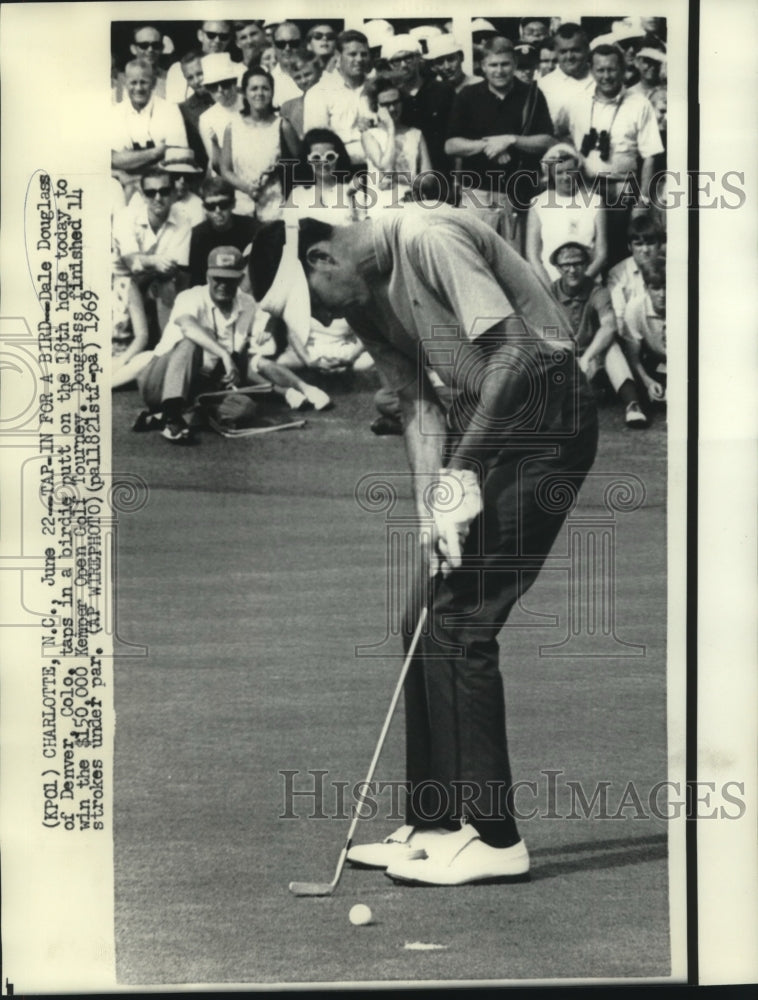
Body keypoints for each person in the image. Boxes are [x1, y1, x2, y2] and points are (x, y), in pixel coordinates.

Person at [249, 208, 598, 886]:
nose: (321, 320)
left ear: (321, 258)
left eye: (314, 303)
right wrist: (429, 511)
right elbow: (415, 404)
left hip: (548, 416)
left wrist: (461, 473)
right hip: (487, 422)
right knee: (421, 616)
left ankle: (495, 837)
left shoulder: (426, 239)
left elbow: (516, 356)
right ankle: (435, 822)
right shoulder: (364, 301)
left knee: (463, 619)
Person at [137, 245, 331, 443]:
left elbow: (259, 349)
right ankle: (172, 418)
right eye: (217, 279)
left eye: (229, 279)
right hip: (158, 381)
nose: (223, 285)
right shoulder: (190, 297)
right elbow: (188, 327)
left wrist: (269, 332)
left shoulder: (247, 303)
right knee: (190, 343)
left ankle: (176, 414)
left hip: (201, 385)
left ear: (240, 279)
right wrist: (224, 354)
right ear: (207, 277)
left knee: (245, 408)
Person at [554, 43, 664, 266]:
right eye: (601, 70)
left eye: (612, 70)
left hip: (622, 190)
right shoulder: (575, 102)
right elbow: (558, 134)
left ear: (623, 70)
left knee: (618, 253)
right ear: (591, 70)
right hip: (585, 188)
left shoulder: (639, 104)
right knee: (584, 249)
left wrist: (642, 201)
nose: (606, 76)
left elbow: (650, 155)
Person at [445, 36, 553, 249]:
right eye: (493, 65)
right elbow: (451, 145)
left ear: (514, 64)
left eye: (505, 64)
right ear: (483, 66)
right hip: (478, 194)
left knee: (516, 262)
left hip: (519, 194)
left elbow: (548, 141)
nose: (499, 70)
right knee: (475, 257)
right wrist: (488, 146)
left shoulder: (531, 94)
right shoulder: (468, 95)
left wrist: (511, 140)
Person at [548, 241, 648, 427]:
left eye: (577, 263)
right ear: (558, 268)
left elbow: (609, 326)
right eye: (566, 265)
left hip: (593, 356)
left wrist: (587, 358)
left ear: (586, 265)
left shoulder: (597, 291)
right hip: (563, 356)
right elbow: (543, 331)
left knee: (612, 348)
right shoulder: (550, 291)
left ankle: (633, 405)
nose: (572, 270)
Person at [112, 169, 192, 336]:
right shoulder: (125, 217)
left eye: (164, 192)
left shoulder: (183, 220)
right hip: (117, 283)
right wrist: (155, 261)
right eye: (151, 193)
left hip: (153, 281)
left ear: (173, 193)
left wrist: (155, 267)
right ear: (142, 195)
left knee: (169, 283)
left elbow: (173, 268)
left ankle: (167, 343)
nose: (157, 198)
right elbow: (131, 261)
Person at [219, 67, 301, 216]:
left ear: (272, 92)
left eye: (265, 88)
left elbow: (300, 164)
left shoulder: (283, 126)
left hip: (276, 208)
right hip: (241, 207)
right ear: (244, 93)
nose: (260, 94)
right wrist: (246, 188)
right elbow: (225, 169)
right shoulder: (232, 127)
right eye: (254, 89)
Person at [525, 143, 606, 286]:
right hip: (551, 286)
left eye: (570, 171)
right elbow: (533, 256)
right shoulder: (538, 204)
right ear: (550, 174)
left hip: (588, 284)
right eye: (559, 172)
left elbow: (602, 254)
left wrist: (581, 284)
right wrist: (553, 290)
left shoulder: (595, 201)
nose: (566, 177)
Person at [111, 58, 188, 198]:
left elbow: (179, 158)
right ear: (125, 83)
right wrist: (157, 152)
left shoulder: (170, 110)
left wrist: (132, 161)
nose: (138, 88)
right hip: (127, 189)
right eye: (133, 83)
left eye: (143, 82)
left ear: (153, 83)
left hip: (163, 188)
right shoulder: (116, 112)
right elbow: (115, 159)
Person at [383, 34, 454, 177]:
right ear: (390, 65)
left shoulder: (442, 90)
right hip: (405, 174)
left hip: (443, 171)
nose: (403, 64)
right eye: (397, 61)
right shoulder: (391, 97)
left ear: (417, 58)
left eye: (408, 58)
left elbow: (455, 134)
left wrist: (457, 178)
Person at [303, 29, 373, 168]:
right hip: (339, 170)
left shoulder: (376, 87)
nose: (359, 59)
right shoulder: (319, 93)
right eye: (352, 54)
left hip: (379, 167)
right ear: (338, 56)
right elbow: (317, 143)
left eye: (364, 54)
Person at [360, 77, 432, 210]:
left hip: (413, 204)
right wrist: (391, 130)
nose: (392, 108)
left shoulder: (416, 134)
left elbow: (429, 180)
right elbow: (386, 168)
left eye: (396, 102)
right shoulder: (369, 135)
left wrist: (399, 177)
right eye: (386, 104)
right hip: (382, 206)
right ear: (376, 106)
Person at [188, 177, 259, 287]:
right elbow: (197, 278)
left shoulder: (253, 229)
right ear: (204, 208)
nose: (218, 211)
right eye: (211, 206)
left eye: (223, 204)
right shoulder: (198, 235)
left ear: (233, 204)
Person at [621, 252, 667, 406]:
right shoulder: (635, 308)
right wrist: (648, 382)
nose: (663, 295)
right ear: (646, 288)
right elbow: (634, 358)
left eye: (668, 288)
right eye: (656, 288)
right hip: (657, 363)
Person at [537, 23, 594, 125]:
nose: (569, 57)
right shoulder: (543, 86)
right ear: (556, 52)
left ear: (587, 49)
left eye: (575, 50)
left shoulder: (602, 79)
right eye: (563, 52)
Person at [165, 20, 233, 104]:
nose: (217, 40)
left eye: (223, 36)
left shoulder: (234, 69)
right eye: (211, 35)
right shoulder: (178, 69)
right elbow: (175, 107)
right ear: (200, 35)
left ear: (229, 39)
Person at [197, 53, 243, 174]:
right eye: (213, 86)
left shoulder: (250, 103)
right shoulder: (206, 119)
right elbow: (215, 160)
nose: (220, 90)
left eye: (225, 84)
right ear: (207, 89)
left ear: (234, 82)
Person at [177, 52, 214, 173]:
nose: (196, 81)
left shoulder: (229, 98)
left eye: (200, 74)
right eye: (190, 78)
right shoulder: (185, 110)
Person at [113, 24, 167, 101]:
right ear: (133, 49)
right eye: (144, 45)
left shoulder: (170, 79)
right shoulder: (121, 81)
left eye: (156, 45)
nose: (150, 49)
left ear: (162, 48)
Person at [280, 51, 324, 140]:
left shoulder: (333, 98)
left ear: (319, 72)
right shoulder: (288, 107)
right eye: (298, 78)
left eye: (307, 74)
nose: (303, 81)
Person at [270, 21, 304, 106]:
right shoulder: (269, 81)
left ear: (302, 44)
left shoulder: (316, 76)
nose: (287, 48)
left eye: (293, 43)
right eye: (281, 44)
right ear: (274, 46)